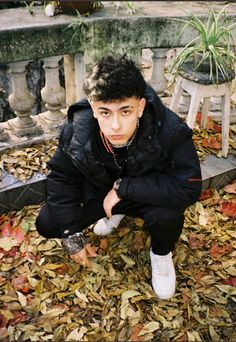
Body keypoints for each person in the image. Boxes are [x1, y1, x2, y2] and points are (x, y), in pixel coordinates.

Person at [36, 55, 202, 300]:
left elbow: (188, 187)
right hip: (100, 191)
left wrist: (124, 188)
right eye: (105, 112)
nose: (115, 125)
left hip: (144, 194)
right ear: (93, 108)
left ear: (141, 107)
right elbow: (62, 176)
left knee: (168, 215)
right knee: (49, 223)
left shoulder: (168, 129)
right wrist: (72, 233)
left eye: (125, 111)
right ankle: (115, 211)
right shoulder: (78, 129)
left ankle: (161, 254)